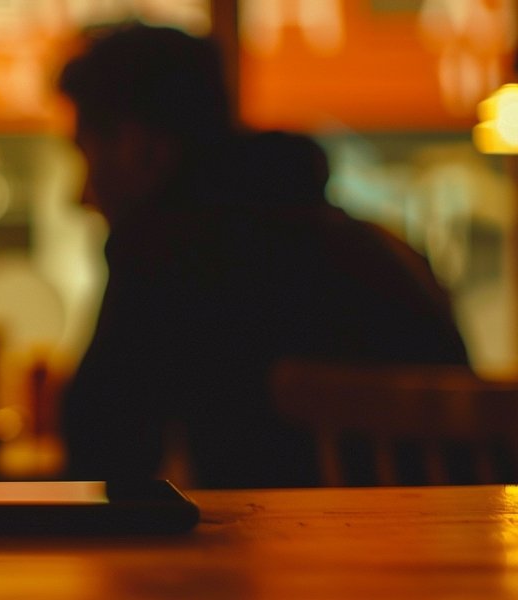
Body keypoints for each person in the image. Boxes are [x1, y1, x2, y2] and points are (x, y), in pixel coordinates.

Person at [57, 24, 468, 488]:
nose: (81, 196)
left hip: (288, 554)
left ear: (141, 149)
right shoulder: (369, 246)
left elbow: (99, 454)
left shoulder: (166, 249)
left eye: (85, 154)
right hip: (465, 542)